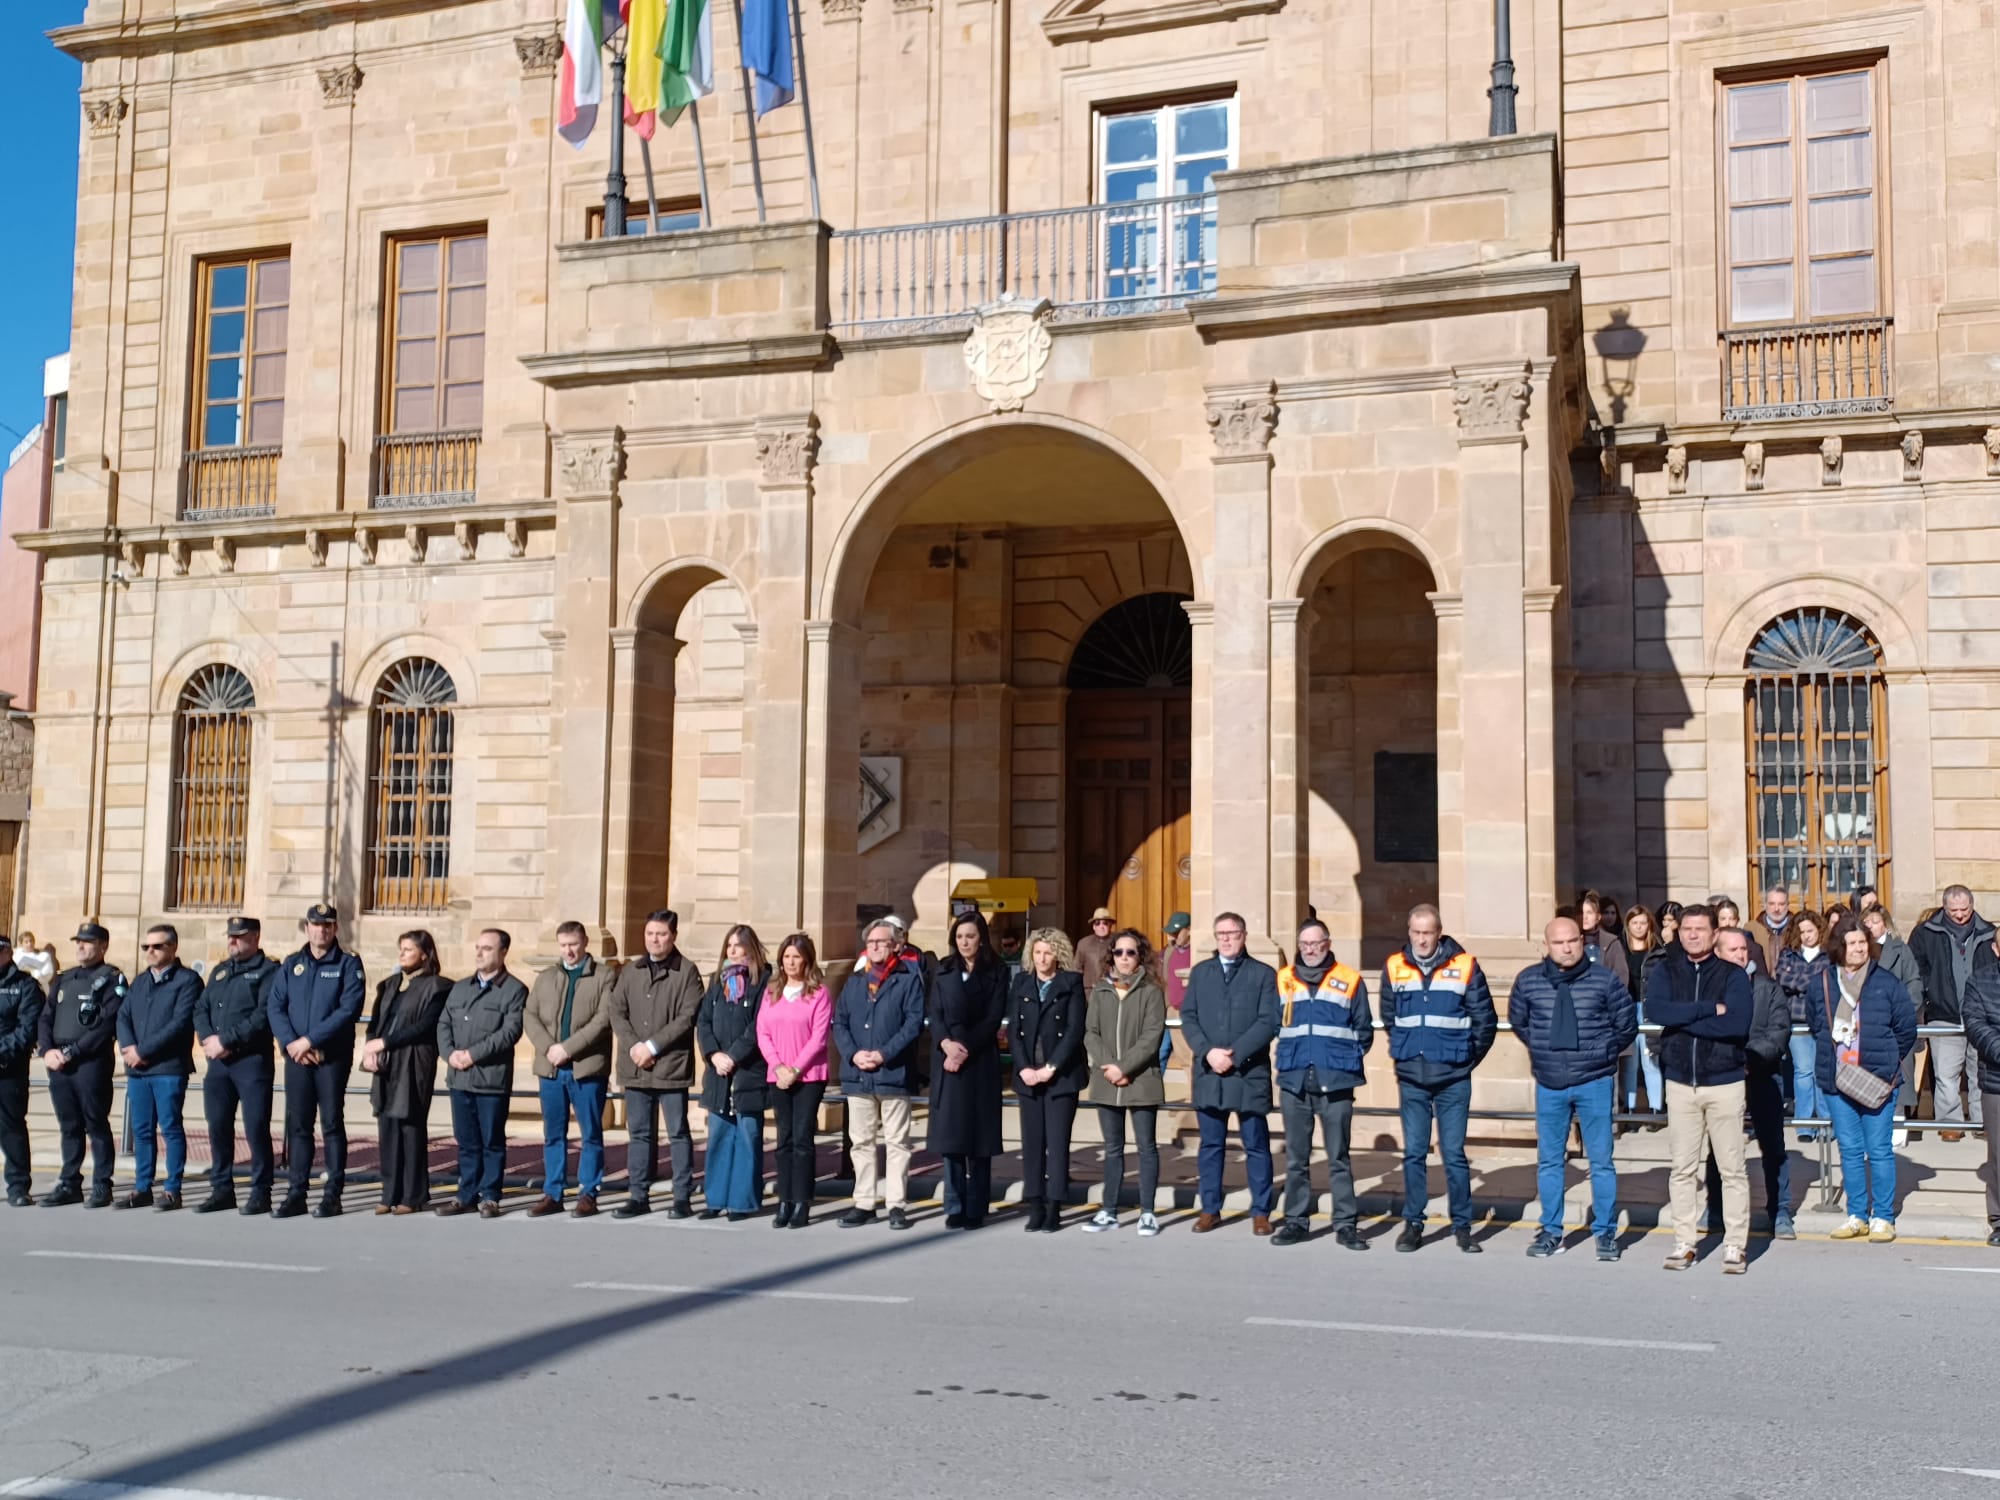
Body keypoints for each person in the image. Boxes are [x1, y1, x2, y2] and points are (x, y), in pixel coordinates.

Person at [1510, 916, 1635, 1261]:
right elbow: (1520, 1022)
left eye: (1573, 941)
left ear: (1582, 941)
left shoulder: (1604, 980)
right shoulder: (1528, 982)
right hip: (1550, 1084)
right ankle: (1551, 1230)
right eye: (1559, 942)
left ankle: (1605, 1233)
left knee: (1601, 1162)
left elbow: (1626, 1025)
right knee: (1550, 1161)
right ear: (1546, 945)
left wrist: (1603, 1053)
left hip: (1594, 1081)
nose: (1567, 948)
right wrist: (1541, 1050)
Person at [1382, 904, 1496, 1252]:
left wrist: (1464, 1059)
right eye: (1415, 933)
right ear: (1409, 932)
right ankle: (1413, 1224)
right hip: (1413, 1077)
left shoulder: (1465, 966)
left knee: (1453, 1153)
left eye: (1427, 933)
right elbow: (1390, 1017)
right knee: (1414, 1153)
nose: (1421, 940)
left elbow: (1485, 1021)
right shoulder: (1394, 966)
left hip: (1453, 1078)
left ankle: (1462, 1226)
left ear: (1439, 932)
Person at [1647, 904, 1754, 1274]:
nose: (1692, 935)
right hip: (1680, 1083)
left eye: (1700, 929)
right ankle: (1684, 1242)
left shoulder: (1732, 975)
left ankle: (1736, 1245)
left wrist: (1684, 1019)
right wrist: (1708, 1009)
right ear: (1678, 934)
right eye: (1686, 929)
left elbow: (1738, 1025)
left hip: (1724, 1082)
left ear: (1714, 933)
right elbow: (1656, 1011)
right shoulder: (1666, 970)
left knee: (1732, 1170)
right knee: (1682, 1169)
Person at [1808, 914, 1918, 1242]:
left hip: (1878, 1079)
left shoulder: (1886, 983)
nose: (1858, 949)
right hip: (1837, 1079)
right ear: (1838, 947)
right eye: (1852, 943)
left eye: (1862, 943)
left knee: (1880, 1149)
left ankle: (1883, 1216)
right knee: (1851, 1150)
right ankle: (1857, 1214)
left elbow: (1906, 1029)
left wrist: (1884, 1061)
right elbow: (1817, 1025)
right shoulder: (1823, 982)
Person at [1267, 919, 1371, 1249]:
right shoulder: (1283, 980)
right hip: (1295, 1080)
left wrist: (1342, 1058)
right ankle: (1296, 1221)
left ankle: (1345, 1224)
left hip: (1336, 1081)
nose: (1311, 950)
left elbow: (1363, 1031)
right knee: (1297, 1158)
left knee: (1338, 1157)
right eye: (1305, 944)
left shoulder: (1350, 979)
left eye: (1317, 943)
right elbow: (1271, 1024)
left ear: (1328, 943)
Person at [1182, 911, 1281, 1236]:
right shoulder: (1201, 973)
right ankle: (1210, 1209)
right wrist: (1208, 1051)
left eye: (1232, 933)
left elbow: (1269, 1021)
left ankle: (1261, 1212)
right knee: (1211, 1145)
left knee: (1256, 1144)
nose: (1226, 939)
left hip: (1247, 1073)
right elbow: (1189, 1017)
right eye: (1221, 933)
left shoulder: (1263, 974)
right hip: (1210, 1071)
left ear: (1244, 935)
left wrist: (1234, 1055)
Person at [267, 902, 366, 1219]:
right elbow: (276, 1006)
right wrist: (291, 1043)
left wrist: (310, 1040)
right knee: (298, 1127)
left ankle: (332, 1195)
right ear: (306, 928)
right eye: (315, 924)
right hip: (297, 1057)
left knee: (332, 1125)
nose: (321, 930)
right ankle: (297, 1192)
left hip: (330, 1058)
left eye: (327, 925)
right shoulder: (292, 964)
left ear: (335, 929)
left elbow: (348, 1010)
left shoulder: (348, 963)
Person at [608, 909, 704, 1219]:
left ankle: (681, 1197)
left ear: (673, 936)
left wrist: (653, 1045)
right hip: (635, 1065)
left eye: (661, 934)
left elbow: (687, 1016)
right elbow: (616, 1011)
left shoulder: (687, 971)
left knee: (677, 1132)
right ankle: (638, 1195)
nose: (655, 939)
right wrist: (635, 1045)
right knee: (639, 1134)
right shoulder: (632, 970)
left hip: (670, 1066)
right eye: (650, 933)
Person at [1704, 928, 1796, 1240]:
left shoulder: (1767, 988)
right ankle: (1715, 1209)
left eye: (1743, 949)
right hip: (1722, 1076)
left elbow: (1779, 1030)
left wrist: (1749, 1060)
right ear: (1717, 953)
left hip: (1762, 1074)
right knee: (1720, 1148)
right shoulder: (1707, 989)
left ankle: (1780, 1210)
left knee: (1773, 1148)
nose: (1741, 955)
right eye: (1733, 950)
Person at [836, 920, 926, 1230]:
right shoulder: (855, 981)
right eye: (871, 941)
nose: (875, 946)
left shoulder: (909, 979)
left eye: (882, 942)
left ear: (895, 946)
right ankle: (864, 1202)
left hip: (893, 1072)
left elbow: (913, 1024)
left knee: (897, 1141)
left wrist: (884, 1053)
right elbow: (840, 1023)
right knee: (860, 1142)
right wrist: (854, 1053)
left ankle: (896, 1204)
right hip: (857, 1074)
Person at [524, 921, 616, 1219]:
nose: (569, 950)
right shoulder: (547, 977)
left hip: (586, 1068)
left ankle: (589, 1192)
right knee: (554, 1134)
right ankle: (553, 1192)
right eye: (563, 945)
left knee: (591, 1133)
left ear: (585, 942)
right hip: (551, 1068)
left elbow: (603, 1019)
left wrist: (569, 1048)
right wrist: (550, 1047)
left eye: (574, 944)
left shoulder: (604, 976)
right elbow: (530, 1014)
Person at [435, 929, 528, 1219]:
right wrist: (449, 1053)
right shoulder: (460, 988)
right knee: (466, 1141)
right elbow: (443, 1024)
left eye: (487, 948)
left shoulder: (514, 990)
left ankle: (490, 1196)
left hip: (490, 1079)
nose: (479, 953)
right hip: (459, 1077)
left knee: (491, 1141)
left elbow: (509, 1032)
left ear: (503, 953)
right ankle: (466, 1193)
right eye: (477, 947)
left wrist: (472, 1054)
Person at [1082, 927, 1168, 1238]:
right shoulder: (1102, 990)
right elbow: (1090, 1032)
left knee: (1146, 1148)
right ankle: (1109, 1210)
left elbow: (1151, 1036)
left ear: (1140, 956)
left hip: (1140, 1078)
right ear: (1111, 956)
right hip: (1107, 1079)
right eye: (1119, 952)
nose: (1124, 958)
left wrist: (1124, 1067)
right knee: (1113, 1148)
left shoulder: (1151, 991)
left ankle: (1147, 1211)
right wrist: (1108, 1064)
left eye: (1130, 952)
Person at [192, 917, 278, 1214]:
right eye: (230, 936)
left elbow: (263, 1015)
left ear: (255, 938)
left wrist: (226, 1040)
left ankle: (261, 1190)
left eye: (239, 937)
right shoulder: (220, 971)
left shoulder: (269, 972)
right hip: (218, 1064)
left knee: (255, 1128)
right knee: (218, 1127)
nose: (232, 941)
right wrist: (207, 1038)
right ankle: (221, 1189)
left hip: (250, 1061)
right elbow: (201, 1008)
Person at [113, 924, 201, 1212]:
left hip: (167, 1068)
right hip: (138, 1070)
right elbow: (123, 1016)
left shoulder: (188, 981)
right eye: (146, 947)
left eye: (157, 946)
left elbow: (179, 1024)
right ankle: (142, 1188)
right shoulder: (140, 982)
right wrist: (128, 1048)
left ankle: (172, 1189)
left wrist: (143, 1051)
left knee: (170, 1128)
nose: (150, 951)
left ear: (173, 948)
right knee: (142, 1130)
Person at [361, 930, 449, 1215]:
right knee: (387, 1127)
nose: (402, 954)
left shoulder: (438, 987)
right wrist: (370, 1049)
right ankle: (389, 1193)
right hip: (386, 1063)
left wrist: (385, 1042)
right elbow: (375, 1022)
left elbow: (425, 1026)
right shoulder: (389, 985)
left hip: (413, 1062)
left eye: (408, 949)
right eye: (400, 949)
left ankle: (413, 1195)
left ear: (424, 954)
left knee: (410, 1127)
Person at [38, 922, 125, 1208]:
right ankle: (70, 1182)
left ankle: (102, 1184)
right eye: (78, 941)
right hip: (59, 1063)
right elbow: (46, 1017)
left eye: (87, 942)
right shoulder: (65, 978)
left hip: (90, 1063)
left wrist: (73, 1051)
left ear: (103, 946)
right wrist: (47, 1050)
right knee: (69, 1125)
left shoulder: (112, 978)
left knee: (95, 1124)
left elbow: (106, 1024)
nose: (80, 946)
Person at [929, 911, 1007, 1230]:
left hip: (979, 1060)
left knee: (979, 1141)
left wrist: (964, 1050)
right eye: (960, 936)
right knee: (952, 1140)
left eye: (970, 936)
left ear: (981, 938)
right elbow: (934, 1014)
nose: (965, 942)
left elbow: (993, 1018)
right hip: (948, 1061)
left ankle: (977, 1205)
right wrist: (946, 1044)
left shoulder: (997, 970)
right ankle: (955, 1203)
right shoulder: (943, 970)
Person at [1009, 926, 1088, 1232]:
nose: (1042, 958)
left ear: (1059, 954)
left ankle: (1055, 1206)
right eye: (1038, 952)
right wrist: (1024, 1067)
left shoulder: (1071, 983)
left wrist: (1051, 1067)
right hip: (1028, 1074)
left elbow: (1074, 1030)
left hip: (1060, 1075)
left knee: (1057, 1143)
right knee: (1032, 1143)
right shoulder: (1021, 982)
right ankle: (1035, 1204)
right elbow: (1014, 1030)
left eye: (1048, 952)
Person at [758, 933, 833, 1228]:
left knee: (802, 1139)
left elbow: (819, 1038)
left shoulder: (819, 994)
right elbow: (762, 1032)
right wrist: (777, 1067)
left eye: (796, 957)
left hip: (809, 1076)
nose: (791, 962)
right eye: (786, 956)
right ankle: (784, 1200)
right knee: (783, 1140)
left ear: (807, 960)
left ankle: (802, 1201)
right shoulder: (772, 991)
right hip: (777, 1076)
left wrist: (795, 1070)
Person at [1910, 885, 1995, 1141]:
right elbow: (1916, 968)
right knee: (1946, 1074)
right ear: (1944, 908)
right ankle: (1950, 1124)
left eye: (1964, 909)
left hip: (1982, 1016)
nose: (1959, 915)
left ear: (1973, 905)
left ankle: (1981, 1123)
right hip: (1943, 1014)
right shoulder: (1925, 933)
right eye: (1953, 910)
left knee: (1979, 1072)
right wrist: (1929, 991)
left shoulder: (1989, 933)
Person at [697, 925, 770, 1221]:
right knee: (718, 1138)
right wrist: (713, 1054)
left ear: (751, 949)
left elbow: (758, 1027)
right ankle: (715, 1198)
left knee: (747, 1138)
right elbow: (703, 1022)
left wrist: (734, 1056)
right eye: (729, 946)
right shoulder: (717, 983)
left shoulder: (763, 983)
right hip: (718, 1074)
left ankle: (741, 1202)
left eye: (739, 946)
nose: (733, 951)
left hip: (747, 1074)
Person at [1860, 905, 1924, 1147]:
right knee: (1868, 1078)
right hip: (1867, 1025)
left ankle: (1898, 1125)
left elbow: (1914, 983)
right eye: (1865, 922)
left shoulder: (1900, 949)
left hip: (1896, 1024)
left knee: (1898, 1076)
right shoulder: (1858, 949)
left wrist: (1904, 1013)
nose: (1870, 926)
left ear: (1884, 923)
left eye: (1874, 921)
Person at [1959, 934, 2000, 1247]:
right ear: (1996, 949)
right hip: (1996, 1082)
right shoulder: (1980, 982)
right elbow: (1974, 1024)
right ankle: (1999, 1220)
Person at [1776, 909, 1829, 1143]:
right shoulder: (1788, 954)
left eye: (1810, 930)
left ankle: (1826, 1122)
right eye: (1802, 932)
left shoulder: (1829, 955)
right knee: (1804, 1072)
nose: (1807, 936)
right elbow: (1782, 978)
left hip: (1824, 1020)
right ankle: (1805, 1125)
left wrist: (1800, 983)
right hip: (1797, 1020)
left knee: (1823, 1072)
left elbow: (1829, 981)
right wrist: (1812, 981)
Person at [0, 936, 45, 1206]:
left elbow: (27, 1030)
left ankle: (18, 1186)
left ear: (7, 953)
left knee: (11, 1128)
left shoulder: (25, 986)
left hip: (9, 1069)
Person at [1618, 904, 1664, 1120]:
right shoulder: (1620, 949)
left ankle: (1655, 1108)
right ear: (1628, 925)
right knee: (1629, 1061)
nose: (1639, 927)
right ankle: (1629, 1109)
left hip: (1649, 1008)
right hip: (1627, 1008)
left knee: (1651, 1059)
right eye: (1634, 923)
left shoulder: (1658, 950)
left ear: (1649, 925)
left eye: (1643, 923)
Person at [1576, 890, 1629, 991]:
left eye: (1589, 913)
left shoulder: (1611, 942)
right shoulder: (1569, 940)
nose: (1585, 917)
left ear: (1598, 917)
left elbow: (1621, 974)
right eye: (1581, 913)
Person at [1750, 885, 1792, 976]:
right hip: (1763, 984)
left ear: (1788, 905)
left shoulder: (1796, 928)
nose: (1776, 909)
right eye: (1772, 904)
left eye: (1781, 904)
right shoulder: (1753, 929)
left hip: (1790, 984)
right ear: (1765, 905)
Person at [1159, 913, 1193, 1012]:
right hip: (1170, 1009)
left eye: (1177, 932)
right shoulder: (1169, 951)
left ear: (1189, 930)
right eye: (1171, 933)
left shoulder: (1195, 953)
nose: (1173, 937)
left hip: (1189, 1011)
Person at [1076, 908, 1116, 990]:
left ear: (1110, 925)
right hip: (1089, 990)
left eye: (1105, 923)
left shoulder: (1118, 942)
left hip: (1112, 989)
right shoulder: (1084, 943)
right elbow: (1077, 969)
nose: (1101, 926)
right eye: (1097, 923)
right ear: (1093, 926)